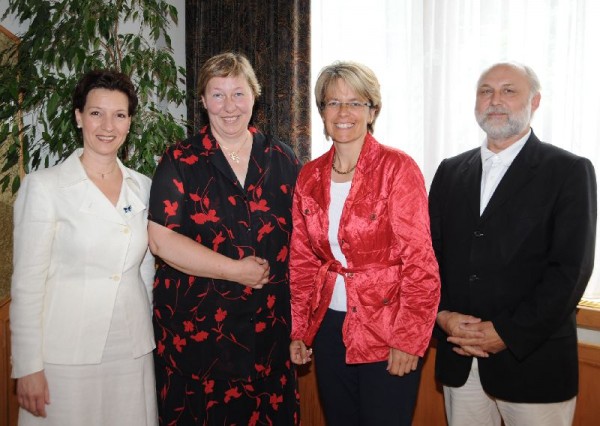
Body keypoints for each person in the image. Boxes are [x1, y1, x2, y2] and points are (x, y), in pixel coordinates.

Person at [429, 62, 597, 426]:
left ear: (534, 101)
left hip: (534, 362)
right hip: (460, 357)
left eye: (509, 90)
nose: (495, 100)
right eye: (486, 90)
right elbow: (429, 258)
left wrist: (506, 333)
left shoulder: (569, 171)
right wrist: (441, 315)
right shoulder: (449, 171)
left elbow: (571, 271)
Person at [148, 52, 301, 425]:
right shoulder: (179, 160)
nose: (228, 106)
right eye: (217, 94)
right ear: (202, 101)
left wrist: (304, 326)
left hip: (270, 340)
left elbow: (306, 245)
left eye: (238, 93)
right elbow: (161, 241)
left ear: (255, 96)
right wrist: (236, 271)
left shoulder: (283, 158)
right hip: (198, 343)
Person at [288, 60, 441, 425]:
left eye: (355, 102)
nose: (344, 112)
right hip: (327, 331)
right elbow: (302, 262)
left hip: (387, 330)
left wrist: (408, 339)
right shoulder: (309, 176)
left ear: (373, 110)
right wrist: (299, 330)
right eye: (332, 103)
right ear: (321, 111)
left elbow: (420, 262)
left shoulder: (397, 168)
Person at [10, 70, 157, 425]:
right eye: (96, 113)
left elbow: (147, 270)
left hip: (131, 348)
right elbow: (27, 283)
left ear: (129, 122)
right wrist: (28, 366)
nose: (107, 125)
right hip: (66, 350)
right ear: (78, 117)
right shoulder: (44, 187)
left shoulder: (144, 187)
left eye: (119, 115)